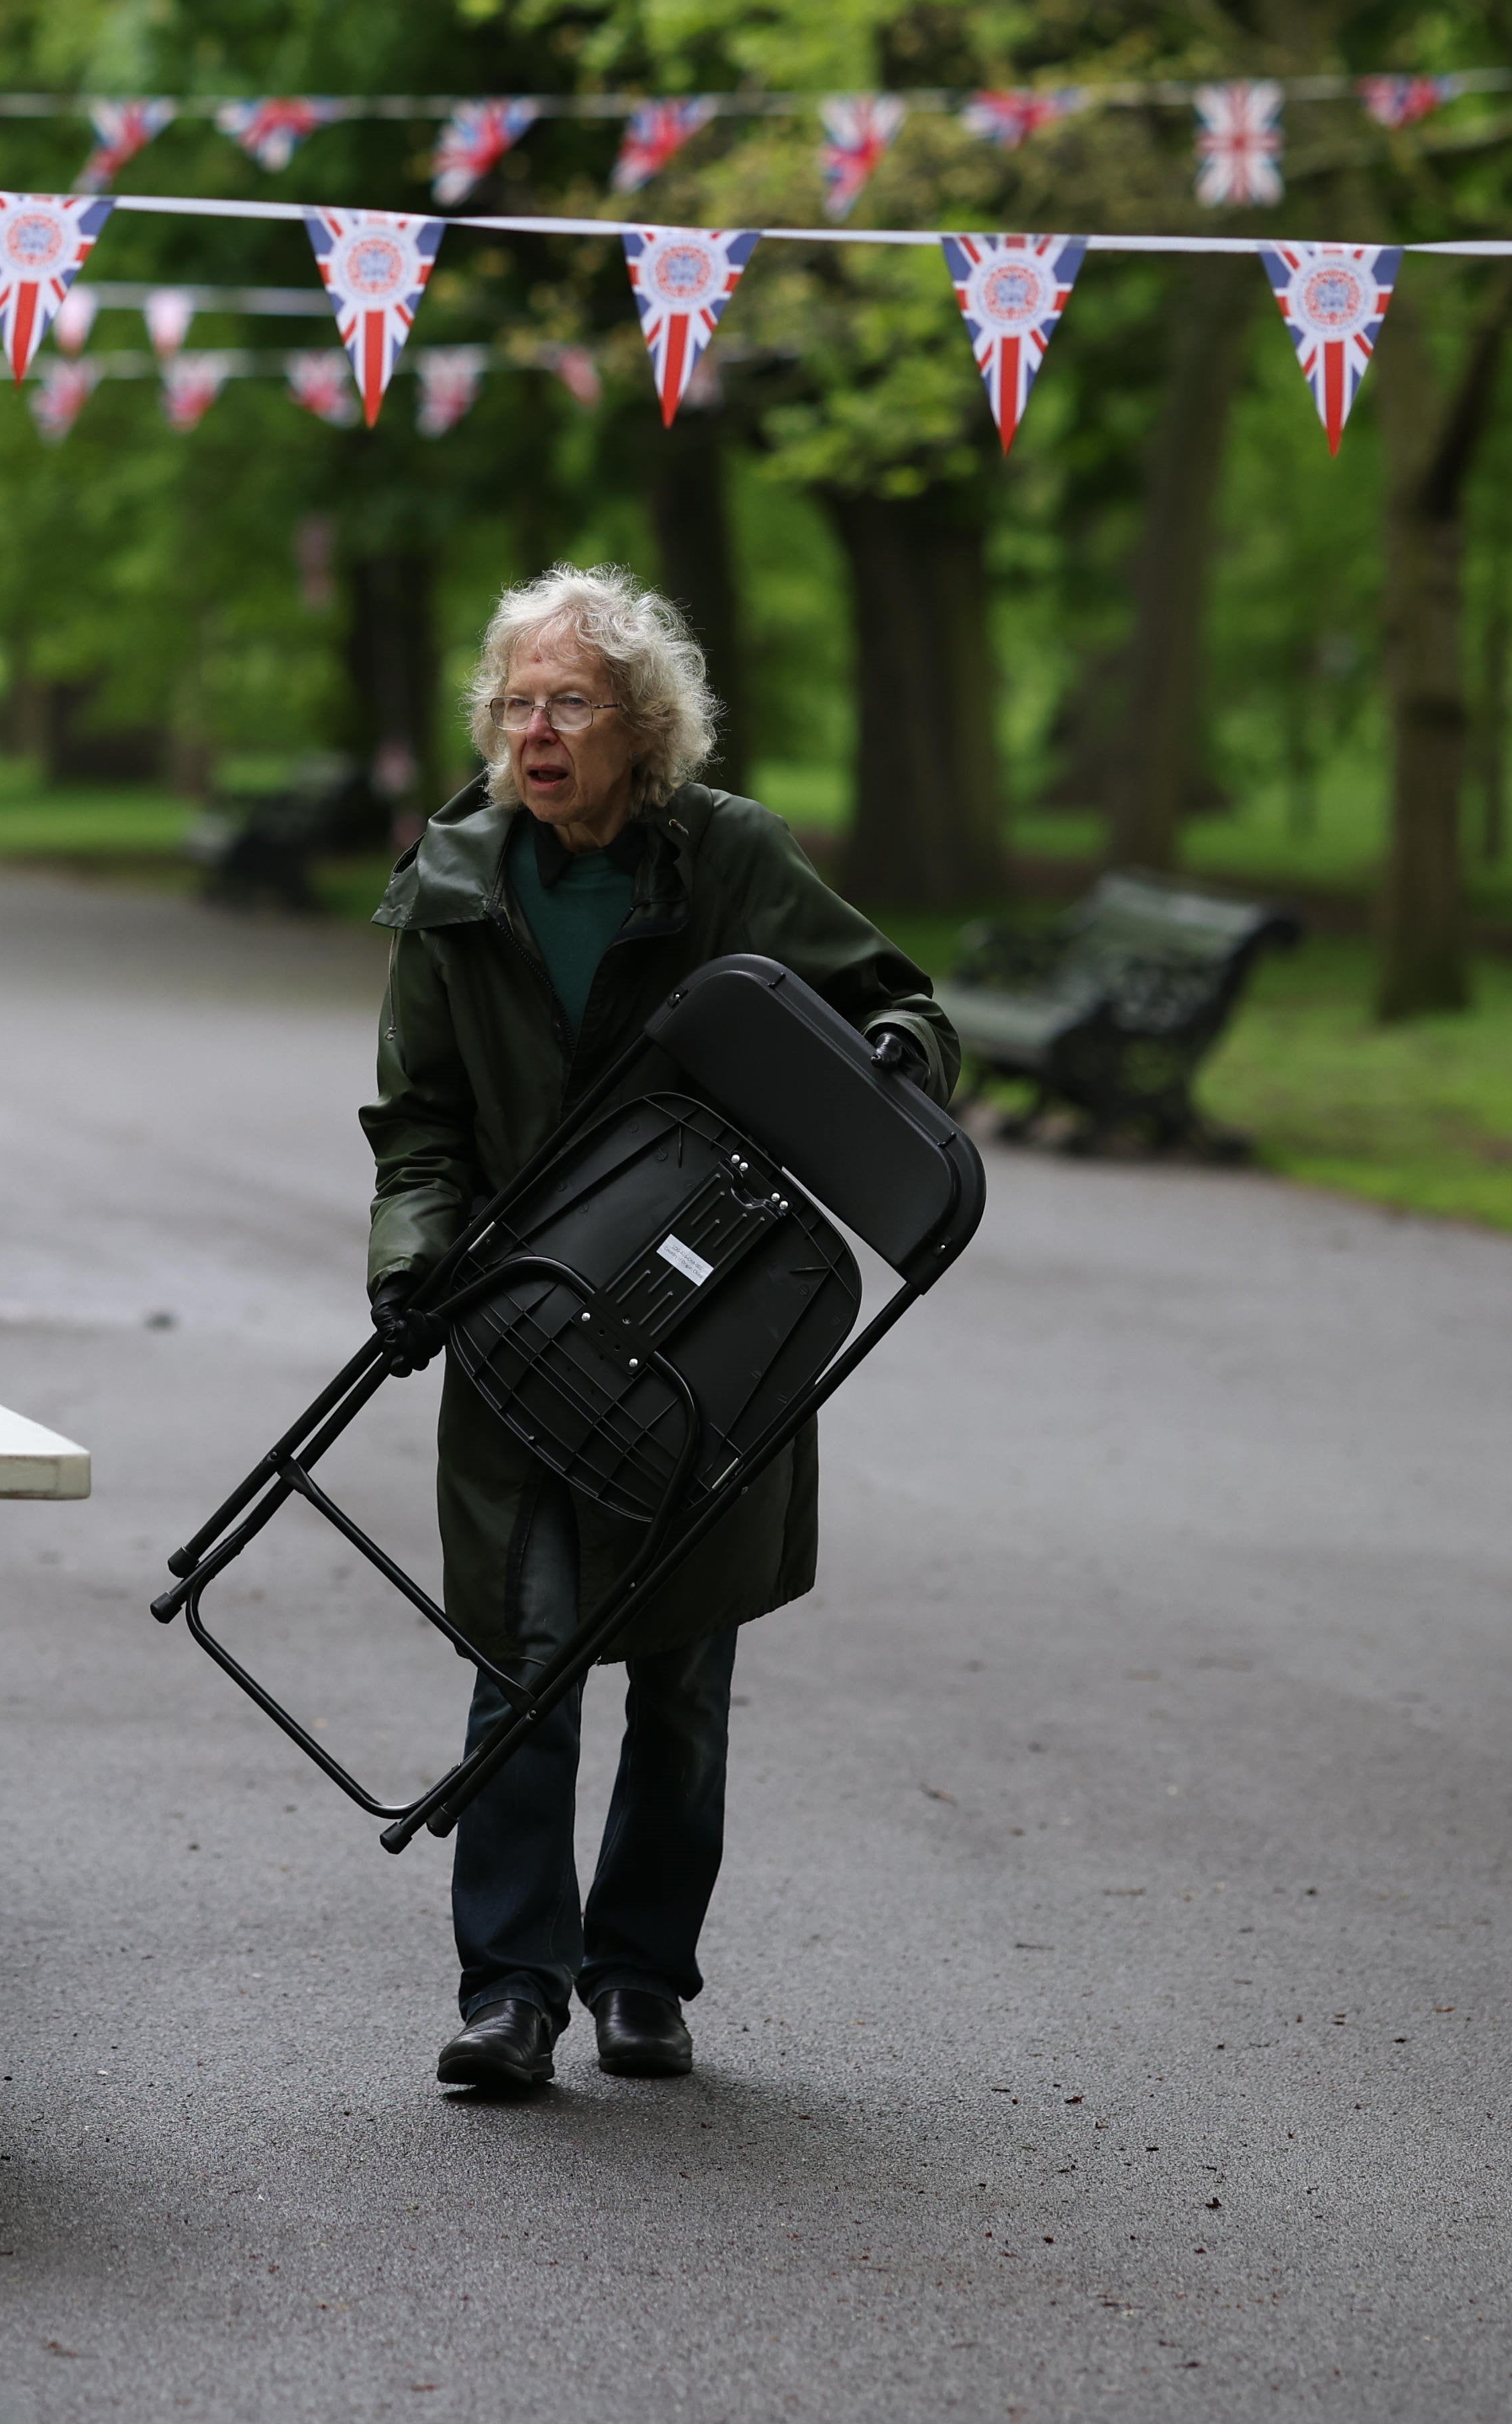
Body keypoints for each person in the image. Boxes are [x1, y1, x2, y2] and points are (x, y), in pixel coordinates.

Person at [358, 564, 954, 2100]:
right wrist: (411, 1258)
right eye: (515, 702)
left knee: (681, 1673)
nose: (534, 731)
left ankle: (637, 1970)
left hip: (710, 1319)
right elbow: (419, 1120)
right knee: (524, 1654)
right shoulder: (454, 881)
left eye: (569, 701)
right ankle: (510, 1989)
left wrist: (891, 1052)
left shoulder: (730, 855)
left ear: (641, 722)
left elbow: (892, 1000)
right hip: (522, 1321)